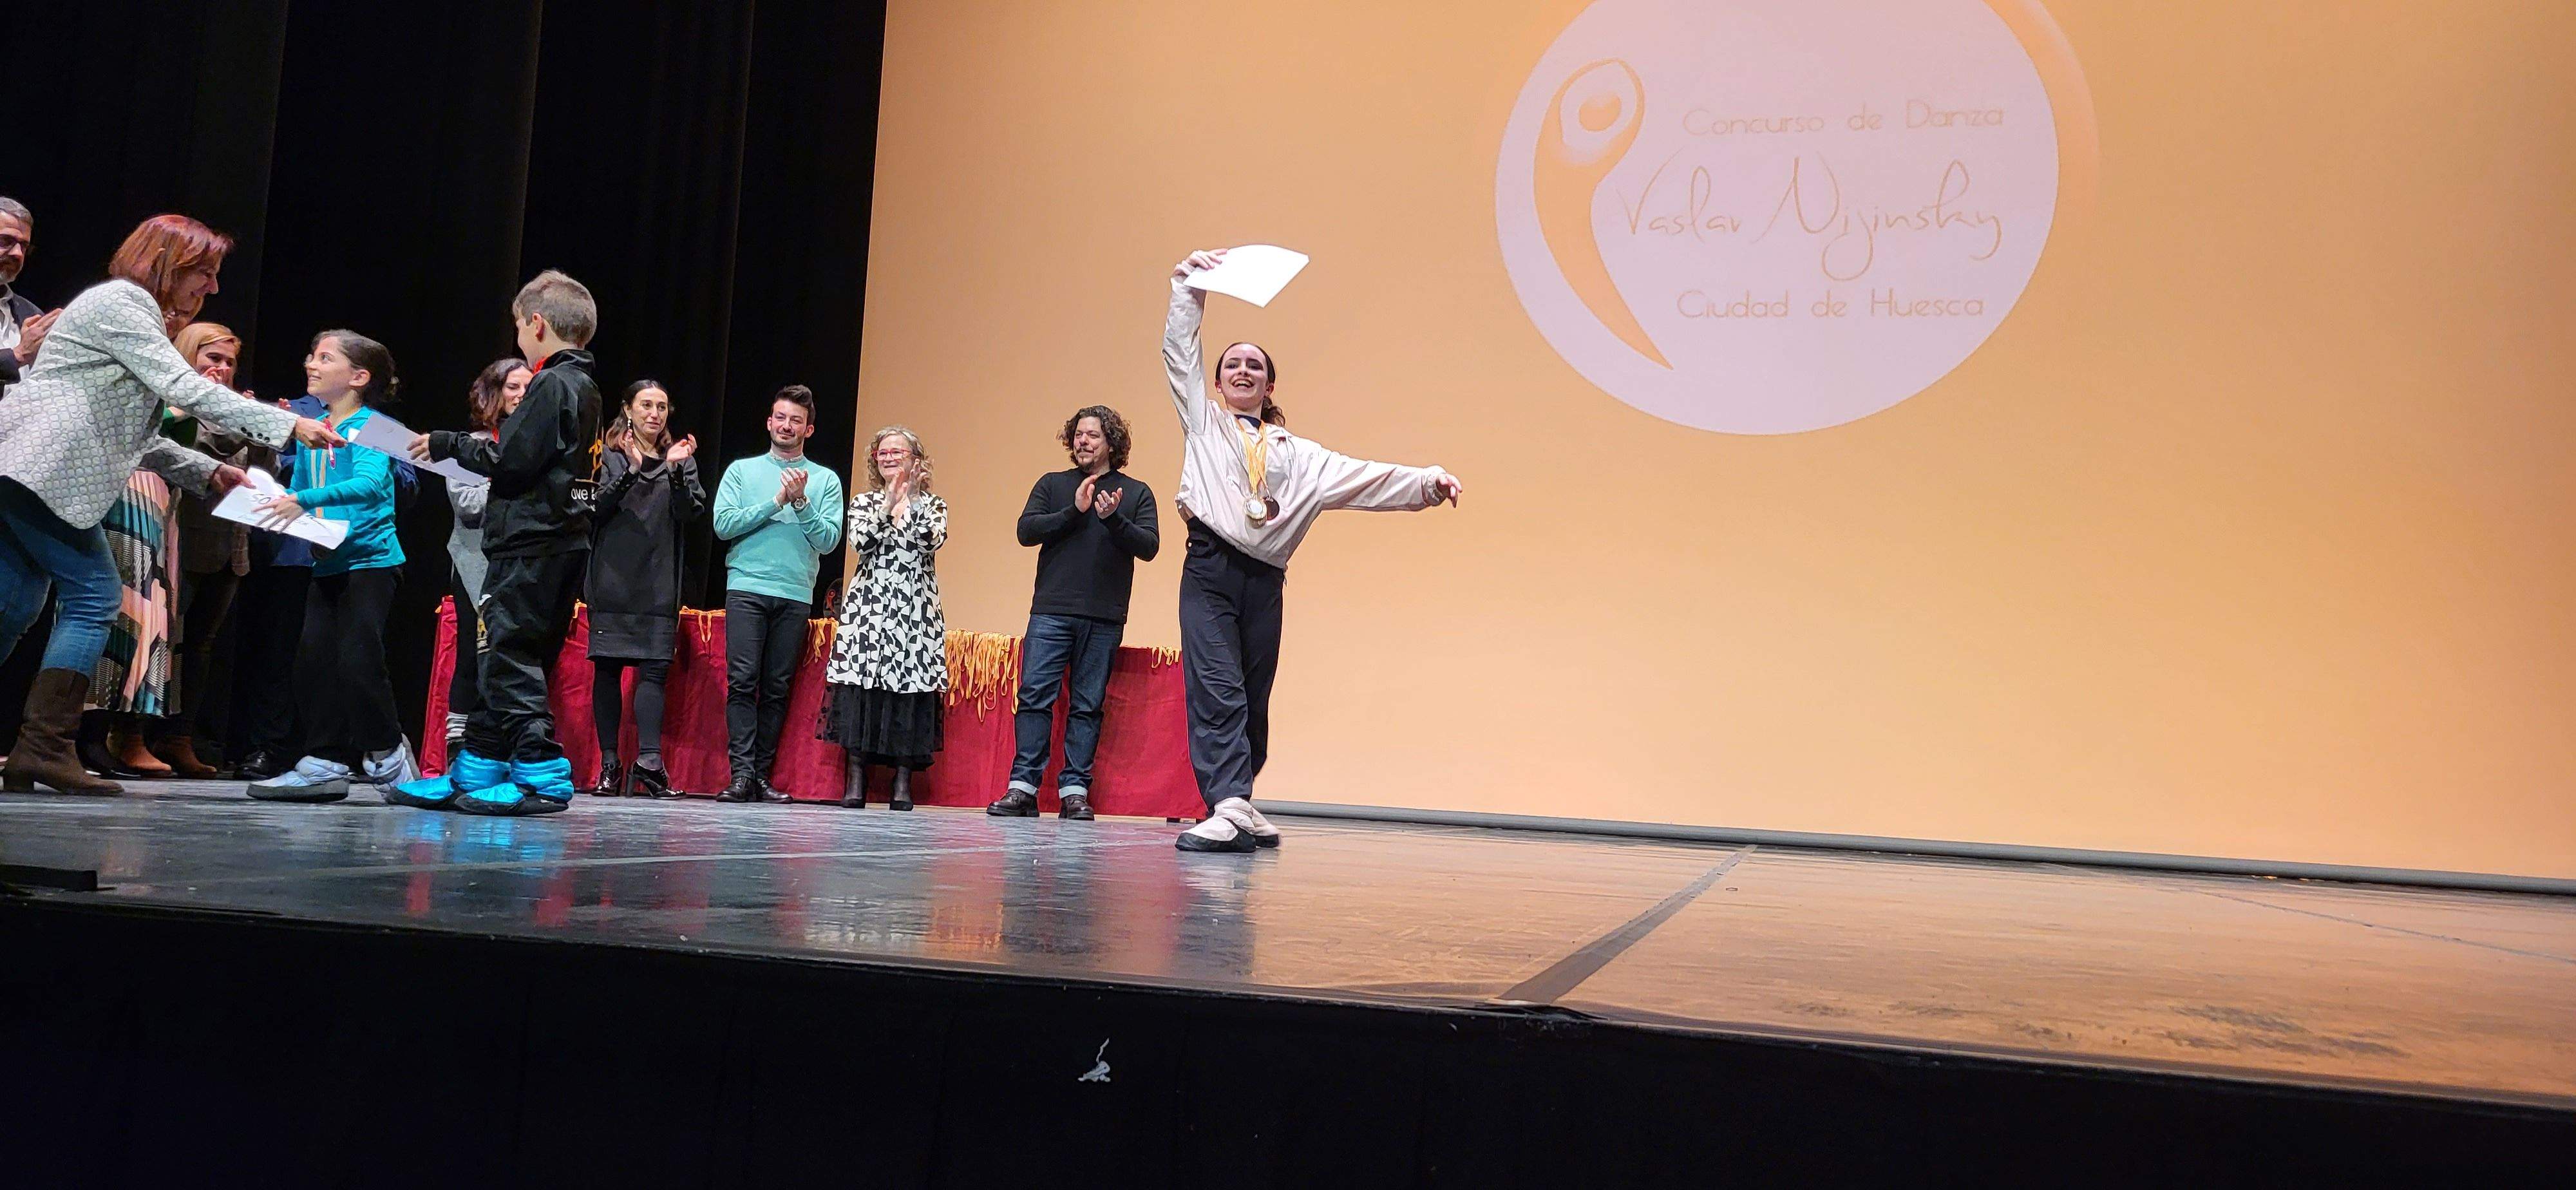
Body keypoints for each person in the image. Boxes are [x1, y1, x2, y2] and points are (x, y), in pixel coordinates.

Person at [0, 214, 341, 796]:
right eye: (202, 273)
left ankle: (39, 748)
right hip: (43, 472)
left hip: (31, 471)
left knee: (12, 607)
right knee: (94, 596)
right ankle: (44, 747)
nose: (210, 288)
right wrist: (288, 425)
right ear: (166, 265)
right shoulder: (122, 302)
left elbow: (141, 434)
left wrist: (210, 471)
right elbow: (188, 391)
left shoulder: (128, 312)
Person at [1163, 249, 1463, 853]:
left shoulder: (1303, 456)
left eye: (1254, 365)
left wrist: (1428, 482)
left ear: (1270, 384)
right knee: (1218, 687)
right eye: (1231, 365)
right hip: (1211, 569)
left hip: (1266, 580)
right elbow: (1180, 354)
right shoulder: (1204, 425)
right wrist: (1188, 290)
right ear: (1217, 383)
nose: (1242, 371)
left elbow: (1368, 477)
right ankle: (1225, 803)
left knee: (1253, 693)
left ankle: (1240, 797)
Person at [395, 270, 603, 815]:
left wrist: (447, 445)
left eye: (519, 326)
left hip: (532, 543)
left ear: (536, 324)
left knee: (509, 656)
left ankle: (541, 774)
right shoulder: (584, 386)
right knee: (500, 657)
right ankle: (477, 767)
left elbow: (510, 462)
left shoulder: (551, 384)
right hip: (558, 540)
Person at [246, 332, 417, 801]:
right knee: (313, 662)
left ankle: (389, 755)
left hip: (370, 562)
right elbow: (297, 486)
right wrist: (276, 508)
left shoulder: (372, 428)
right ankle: (324, 760)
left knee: (360, 661)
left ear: (359, 377)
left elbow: (367, 484)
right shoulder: (311, 430)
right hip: (327, 561)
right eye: (312, 355)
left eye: (326, 358)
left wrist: (301, 501)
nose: (312, 364)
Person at [987, 405, 1159, 821]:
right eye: (1078, 435)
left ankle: (1075, 792)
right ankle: (1022, 788)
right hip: (1051, 611)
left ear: (1112, 443)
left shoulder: (1135, 493)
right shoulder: (1053, 484)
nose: (1082, 441)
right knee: (1034, 698)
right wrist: (1074, 512)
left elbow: (1149, 546)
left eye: (1092, 435)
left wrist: (1112, 518)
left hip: (1103, 617)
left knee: (1086, 705)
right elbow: (1027, 531)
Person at [710, 385, 843, 804]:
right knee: (743, 680)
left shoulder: (825, 480)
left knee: (776, 686)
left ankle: (762, 776)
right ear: (770, 422)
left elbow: (828, 541)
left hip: (794, 594)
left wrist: (801, 502)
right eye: (781, 418)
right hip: (747, 587)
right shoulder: (742, 472)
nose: (787, 426)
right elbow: (724, 526)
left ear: (809, 429)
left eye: (796, 421)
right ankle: (741, 775)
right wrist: (776, 501)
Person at [585, 379, 704, 799]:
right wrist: (633, 471)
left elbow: (690, 511)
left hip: (658, 580)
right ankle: (610, 764)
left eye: (663, 406)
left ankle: (650, 765)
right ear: (628, 409)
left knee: (654, 669)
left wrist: (672, 471)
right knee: (609, 669)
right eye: (647, 406)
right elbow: (593, 509)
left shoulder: (679, 459)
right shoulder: (611, 454)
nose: (655, 413)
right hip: (613, 579)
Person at [819, 427, 947, 810]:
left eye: (898, 452)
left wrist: (911, 503)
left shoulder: (934, 504)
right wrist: (887, 504)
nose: (889, 457)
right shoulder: (863, 502)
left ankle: (902, 782)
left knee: (909, 691)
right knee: (862, 687)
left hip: (914, 609)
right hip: (870, 607)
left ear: (915, 459)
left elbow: (931, 541)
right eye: (883, 453)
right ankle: (856, 779)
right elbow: (862, 542)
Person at [158, 323, 259, 777]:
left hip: (230, 544)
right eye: (211, 359)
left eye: (228, 362)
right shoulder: (177, 406)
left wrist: (260, 433)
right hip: (183, 537)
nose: (220, 369)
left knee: (202, 647)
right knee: (167, 640)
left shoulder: (234, 407)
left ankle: (181, 737)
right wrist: (246, 424)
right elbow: (198, 452)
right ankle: (138, 735)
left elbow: (258, 471)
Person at [438, 357, 528, 759]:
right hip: (476, 564)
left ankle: (505, 744)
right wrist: (516, 483)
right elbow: (468, 504)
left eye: (529, 388)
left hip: (521, 565)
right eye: (513, 387)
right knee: (475, 656)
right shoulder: (472, 444)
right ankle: (461, 744)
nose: (522, 395)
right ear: (495, 393)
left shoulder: (534, 446)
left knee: (513, 657)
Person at [0, 196, 59, 388]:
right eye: (6, 240)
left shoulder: (31, 314)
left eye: (24, 246)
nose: (18, 253)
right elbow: (20, 354)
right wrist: (17, 355)